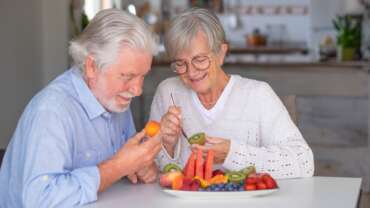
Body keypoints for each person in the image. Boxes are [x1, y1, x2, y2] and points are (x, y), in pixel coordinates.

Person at [0, 9, 161, 207]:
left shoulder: (115, 98)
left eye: (142, 76)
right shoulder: (51, 112)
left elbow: (127, 166)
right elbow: (39, 199)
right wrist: (119, 167)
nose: (137, 90)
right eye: (127, 77)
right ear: (92, 67)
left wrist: (141, 166)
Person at [150, 8, 314, 179]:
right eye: (180, 63)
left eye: (200, 60)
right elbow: (151, 170)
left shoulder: (257, 95)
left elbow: (304, 163)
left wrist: (232, 155)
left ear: (221, 53)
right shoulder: (168, 92)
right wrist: (167, 145)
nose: (191, 72)